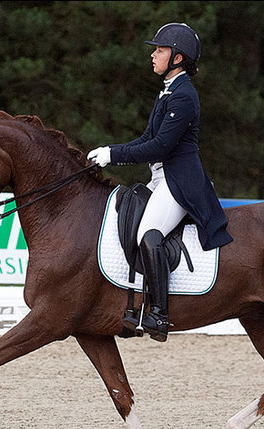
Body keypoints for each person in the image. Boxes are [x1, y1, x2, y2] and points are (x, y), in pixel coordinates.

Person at [87, 22, 233, 342]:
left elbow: (159, 148)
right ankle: (134, 304)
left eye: (160, 50)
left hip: (180, 181)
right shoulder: (167, 91)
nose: (153, 55)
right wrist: (114, 151)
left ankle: (159, 314)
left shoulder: (183, 97)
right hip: (160, 178)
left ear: (177, 58)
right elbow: (146, 138)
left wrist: (113, 155)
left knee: (148, 234)